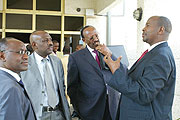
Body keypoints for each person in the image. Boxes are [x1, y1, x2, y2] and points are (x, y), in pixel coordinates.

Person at [102, 16, 176, 120]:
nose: (143, 28)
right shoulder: (155, 53)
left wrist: (115, 71)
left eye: (148, 25)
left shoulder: (160, 56)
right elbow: (134, 79)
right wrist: (116, 68)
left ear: (161, 30)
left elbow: (143, 94)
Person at [67, 26, 120, 120]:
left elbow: (119, 70)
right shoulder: (76, 57)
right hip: (90, 109)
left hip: (112, 105)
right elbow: (72, 87)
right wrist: (79, 109)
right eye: (91, 38)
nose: (96, 39)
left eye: (96, 35)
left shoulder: (107, 51)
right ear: (84, 40)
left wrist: (109, 54)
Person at [20, 31, 71, 120]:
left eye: (50, 40)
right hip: (37, 114)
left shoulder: (57, 62)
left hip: (58, 114)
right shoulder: (25, 64)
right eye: (45, 41)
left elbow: (61, 88)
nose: (50, 43)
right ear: (34, 45)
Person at [0, 37, 36, 120]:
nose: (26, 57)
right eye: (20, 52)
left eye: (26, 52)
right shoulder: (10, 87)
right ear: (2, 56)